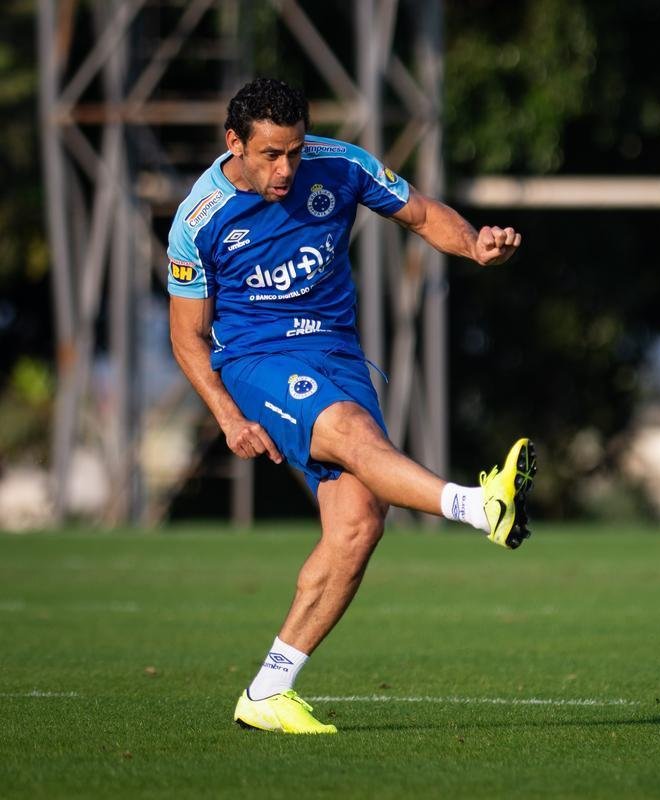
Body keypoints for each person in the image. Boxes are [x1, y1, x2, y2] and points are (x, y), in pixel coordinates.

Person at [167, 78, 536, 735]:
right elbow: (186, 335)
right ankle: (479, 505)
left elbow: (422, 214)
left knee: (359, 527)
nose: (286, 169)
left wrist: (474, 243)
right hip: (257, 361)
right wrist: (227, 416)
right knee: (354, 431)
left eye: (295, 152)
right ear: (235, 144)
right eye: (270, 155)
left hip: (338, 355)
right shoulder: (198, 220)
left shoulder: (341, 166)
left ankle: (267, 692)